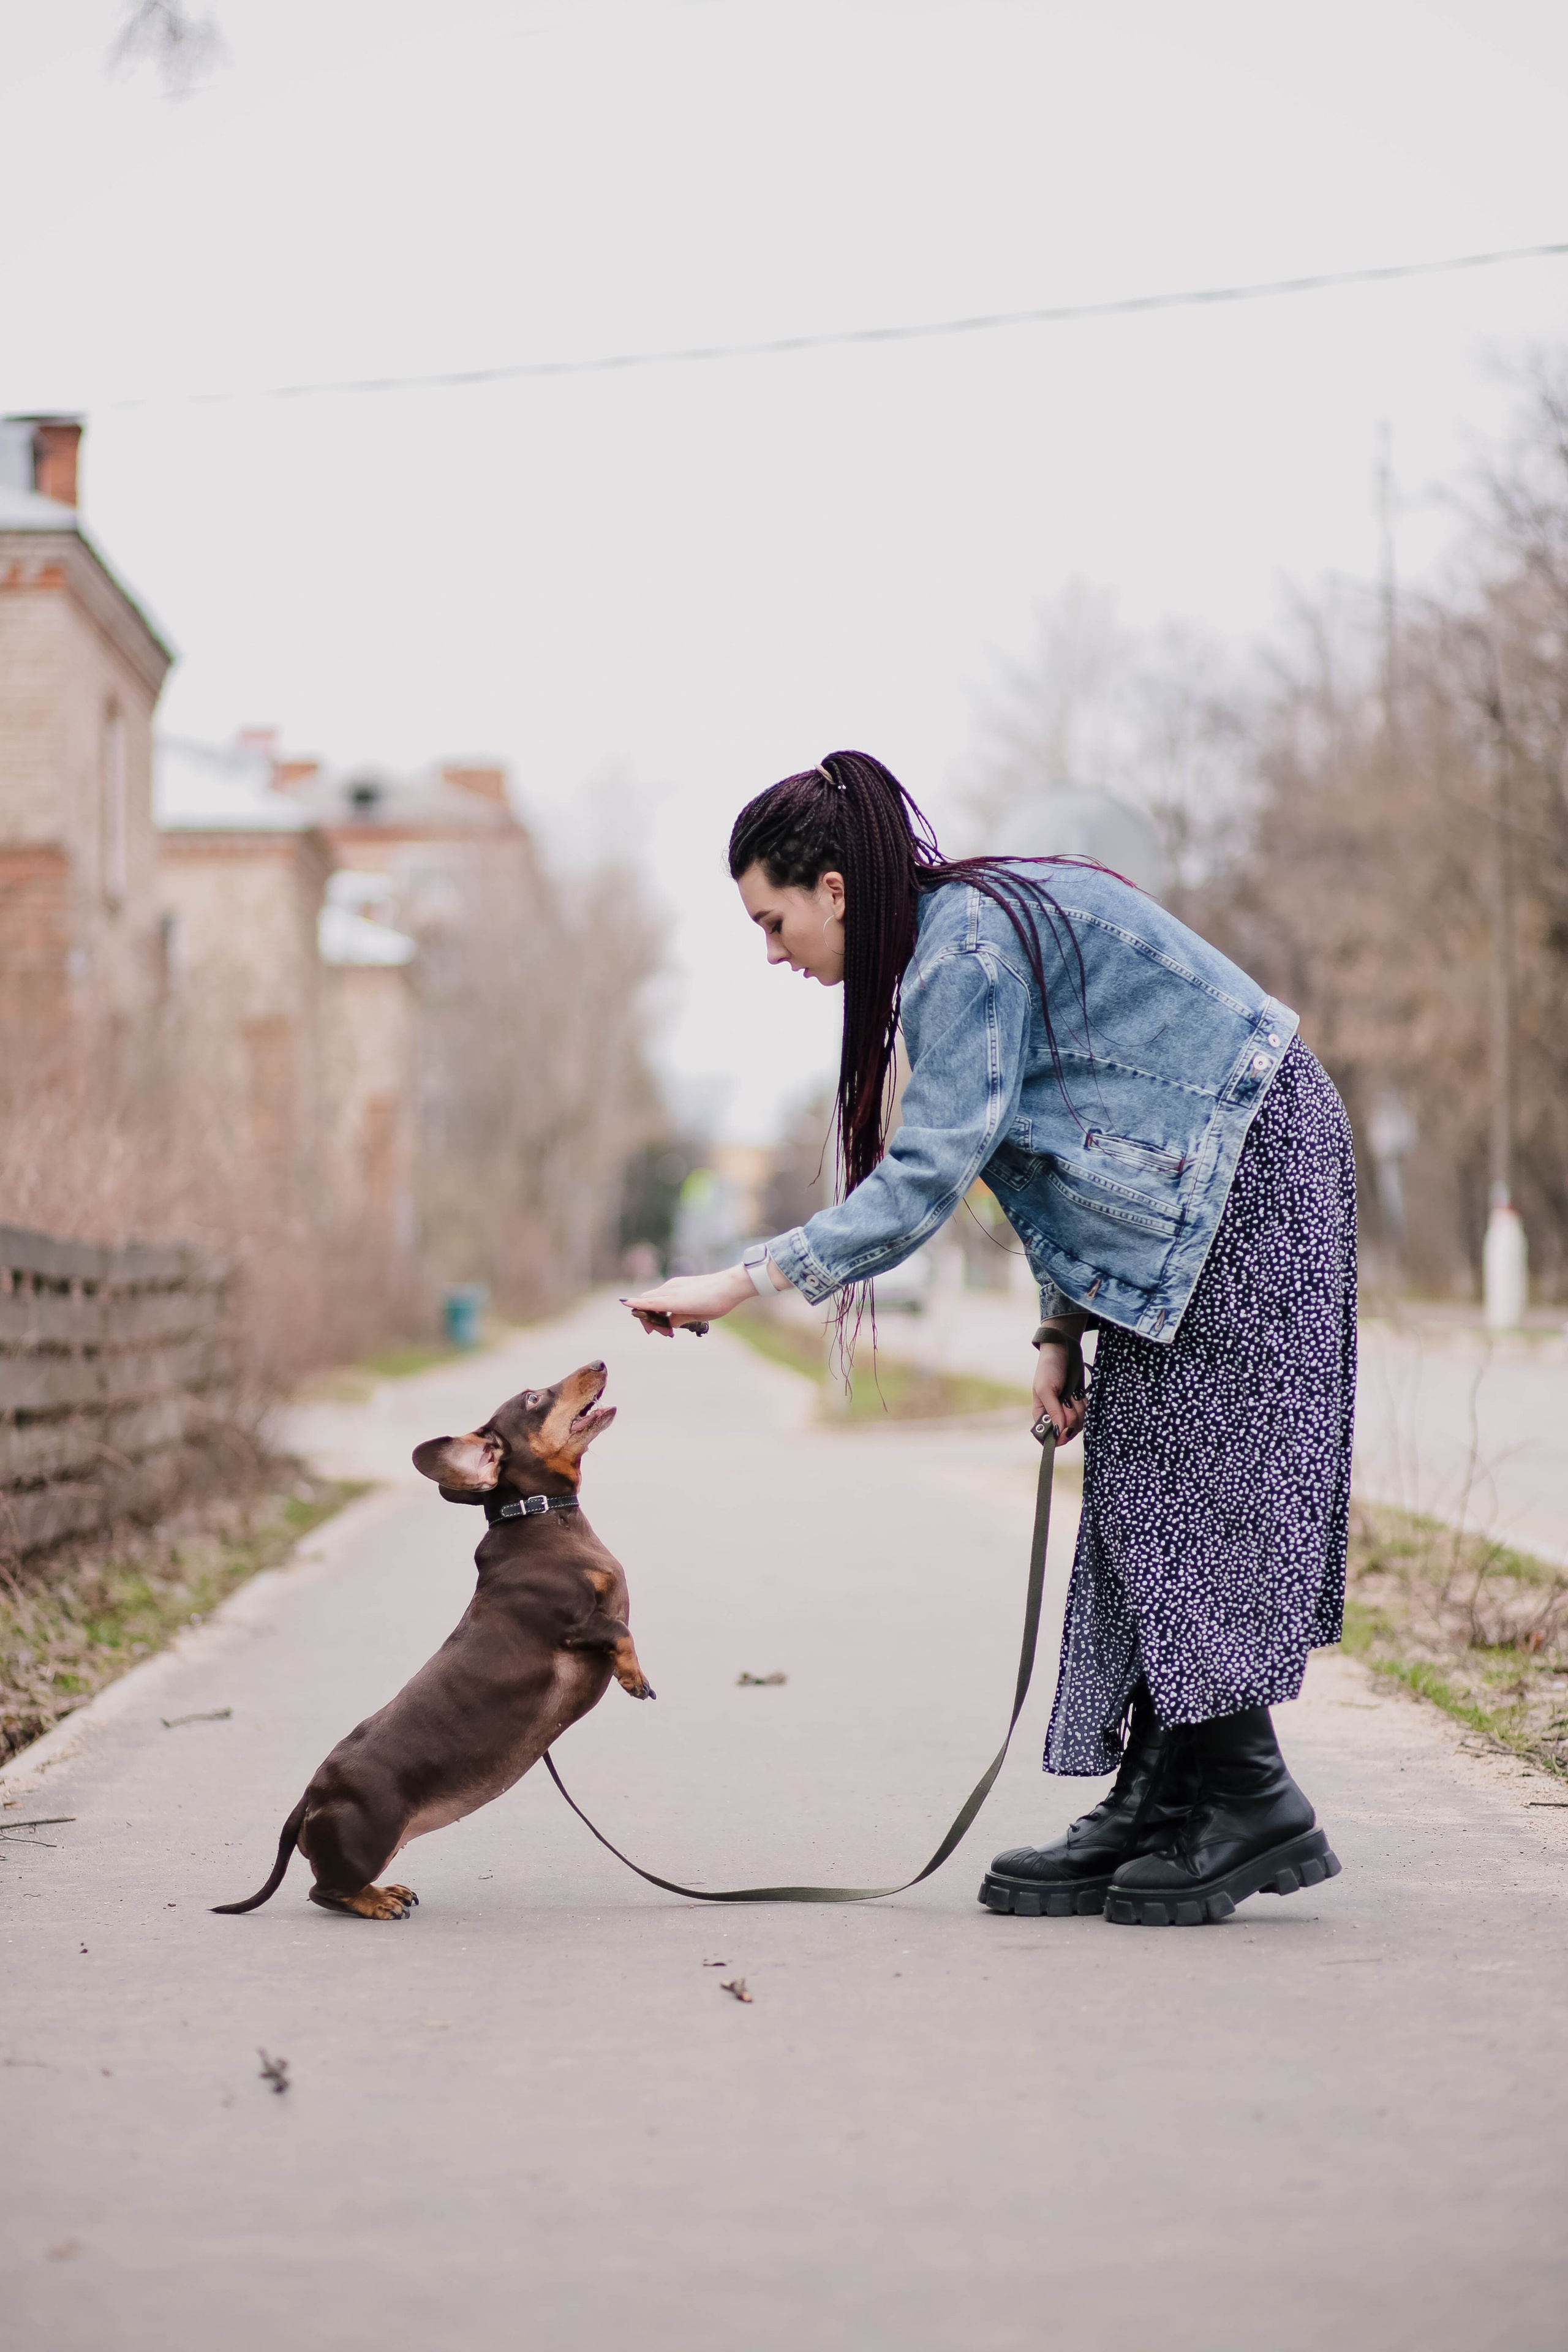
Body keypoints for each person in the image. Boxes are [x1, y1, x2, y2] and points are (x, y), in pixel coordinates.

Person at [625, 750, 1355, 1927]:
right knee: (1142, 1485)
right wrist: (1062, 1327)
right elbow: (1081, 1142)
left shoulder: (960, 952)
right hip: (1198, 1185)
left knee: (1189, 1491)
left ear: (834, 891)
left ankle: (1251, 1799)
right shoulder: (958, 937)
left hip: (1253, 1167)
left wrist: (746, 1279)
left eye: (773, 921)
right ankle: (1166, 1791)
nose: (773, 954)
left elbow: (929, 1178)